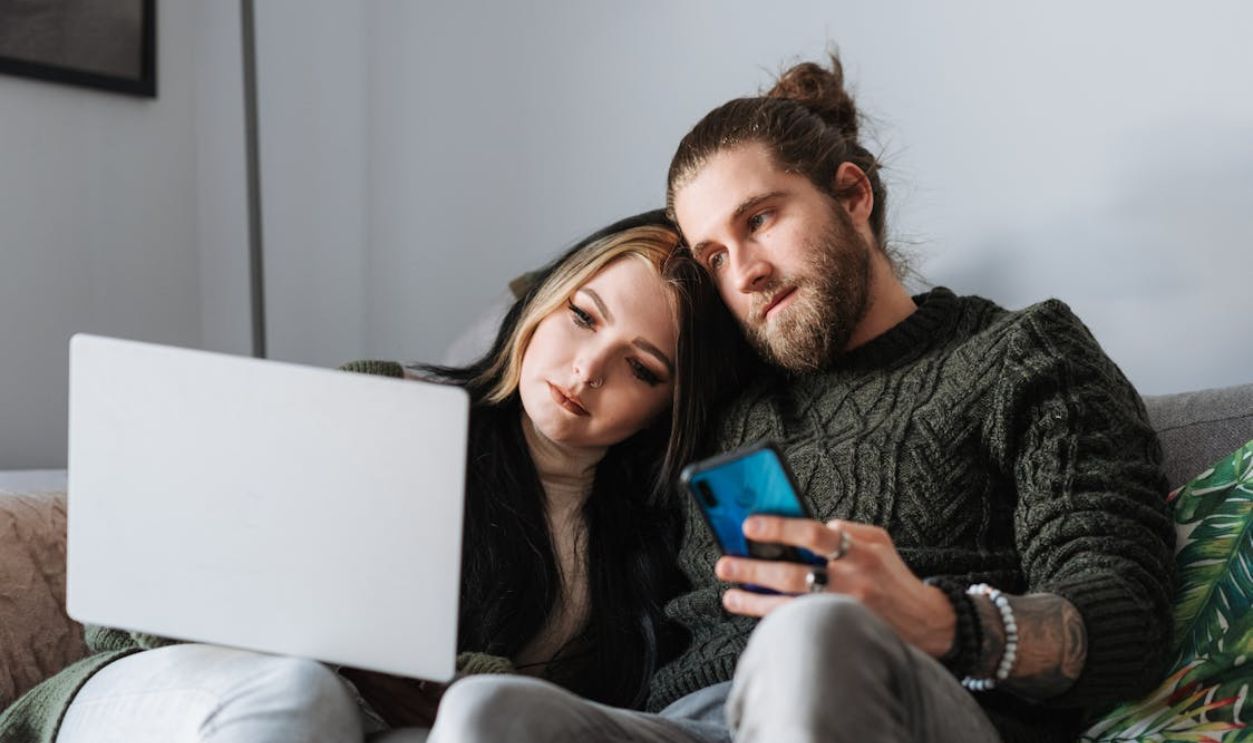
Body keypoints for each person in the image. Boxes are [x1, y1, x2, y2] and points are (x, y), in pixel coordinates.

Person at [424, 54, 1176, 743]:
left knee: (813, 633)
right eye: (714, 254)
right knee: (487, 710)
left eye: (760, 219)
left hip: (915, 700)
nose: (743, 271)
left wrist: (938, 617)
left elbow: (1124, 616)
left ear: (851, 195)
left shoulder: (1018, 354)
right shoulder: (717, 397)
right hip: (697, 719)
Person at [0, 210, 751, 743]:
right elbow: (129, 609)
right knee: (301, 695)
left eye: (641, 367)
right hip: (185, 686)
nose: (587, 370)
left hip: (380, 728)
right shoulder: (386, 402)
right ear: (543, 301)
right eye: (583, 317)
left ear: (667, 408)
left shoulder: (648, 549)